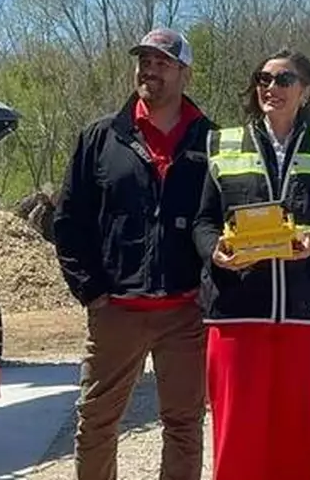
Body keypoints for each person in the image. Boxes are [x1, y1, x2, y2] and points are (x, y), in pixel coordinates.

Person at [52, 27, 214, 480]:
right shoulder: (101, 138)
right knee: (97, 422)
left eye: (162, 63)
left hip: (185, 312)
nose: (149, 71)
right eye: (144, 61)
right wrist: (92, 292)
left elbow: (222, 223)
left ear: (184, 72)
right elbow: (68, 221)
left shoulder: (212, 141)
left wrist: (207, 291)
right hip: (115, 312)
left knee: (183, 425)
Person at [192, 49, 310, 480]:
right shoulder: (223, 143)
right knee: (237, 436)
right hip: (237, 310)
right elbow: (203, 222)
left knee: (298, 436)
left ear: (305, 90)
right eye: (264, 78)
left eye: (284, 80)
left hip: (304, 314)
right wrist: (214, 250)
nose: (272, 87)